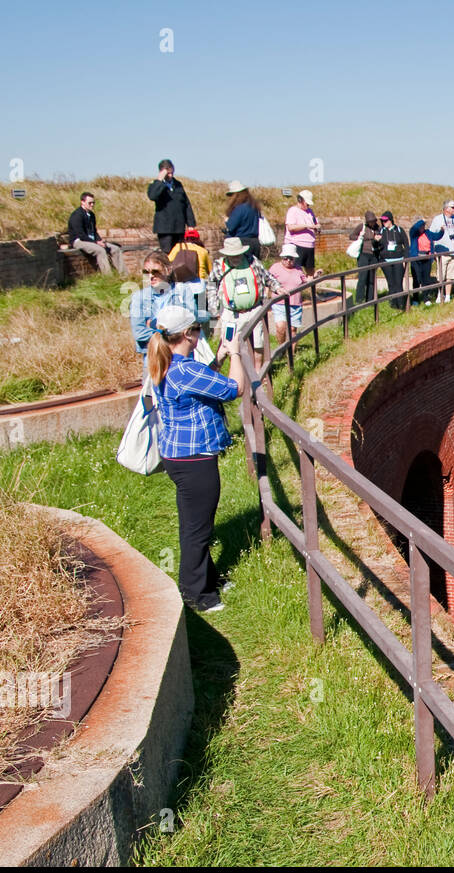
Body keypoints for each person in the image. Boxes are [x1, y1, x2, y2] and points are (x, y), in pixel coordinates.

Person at [148, 305, 239, 614]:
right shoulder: (186, 369)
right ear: (188, 334)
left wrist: (219, 358)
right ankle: (197, 594)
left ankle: (208, 579)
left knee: (197, 524)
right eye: (199, 328)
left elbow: (200, 383)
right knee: (196, 530)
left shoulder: (170, 363)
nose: (201, 332)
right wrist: (237, 354)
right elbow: (233, 390)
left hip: (178, 455)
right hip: (194, 460)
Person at [206, 238, 284, 395]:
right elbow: (210, 287)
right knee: (227, 345)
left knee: (258, 343)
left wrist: (277, 288)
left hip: (254, 310)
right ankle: (218, 377)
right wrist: (214, 311)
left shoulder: (251, 261)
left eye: (238, 255)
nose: (236, 258)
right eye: (233, 256)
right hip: (231, 314)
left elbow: (266, 276)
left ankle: (257, 377)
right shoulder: (219, 266)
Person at [129, 251, 210, 364]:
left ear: (168, 270)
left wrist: (155, 326)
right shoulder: (139, 297)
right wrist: (173, 331)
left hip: (181, 355)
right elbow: (139, 333)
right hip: (154, 357)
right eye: (146, 272)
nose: (151, 276)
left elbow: (191, 321)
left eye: (155, 272)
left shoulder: (182, 291)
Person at [267, 244, 321, 343]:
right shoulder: (275, 268)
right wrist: (266, 297)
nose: (288, 261)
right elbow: (267, 282)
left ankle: (291, 354)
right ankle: (281, 348)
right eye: (285, 258)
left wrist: (315, 276)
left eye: (291, 258)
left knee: (292, 330)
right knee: (281, 327)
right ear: (282, 257)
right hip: (280, 303)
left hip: (295, 304)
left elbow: (305, 281)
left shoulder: (298, 269)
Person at [67, 192, 125, 274]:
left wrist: (100, 240)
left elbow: (94, 231)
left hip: (91, 240)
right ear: (82, 202)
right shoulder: (77, 215)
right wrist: (96, 242)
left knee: (115, 249)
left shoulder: (92, 215)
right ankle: (108, 277)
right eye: (89, 203)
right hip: (79, 241)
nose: (92, 205)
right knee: (100, 250)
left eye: (93, 203)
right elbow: (80, 235)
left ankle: (124, 275)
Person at [147, 159, 196, 253]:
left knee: (179, 254)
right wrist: (160, 180)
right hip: (165, 228)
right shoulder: (155, 185)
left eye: (172, 172)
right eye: (168, 173)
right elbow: (152, 196)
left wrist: (191, 224)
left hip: (179, 227)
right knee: (167, 254)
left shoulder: (178, 184)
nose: (170, 175)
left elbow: (186, 204)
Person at [429, 199, 454, 303]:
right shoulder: (437, 219)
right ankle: (440, 295)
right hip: (442, 253)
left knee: (451, 277)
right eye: (452, 207)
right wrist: (433, 251)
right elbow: (431, 235)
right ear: (446, 209)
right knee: (441, 276)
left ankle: (448, 296)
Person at [224, 182, 263, 265]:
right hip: (255, 242)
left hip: (241, 243)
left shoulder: (239, 208)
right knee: (255, 269)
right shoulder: (253, 207)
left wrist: (227, 221)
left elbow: (231, 226)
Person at [377, 211, 408, 311]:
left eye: (385, 220)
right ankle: (393, 304)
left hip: (398, 260)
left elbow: (406, 245)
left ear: (390, 220)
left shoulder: (399, 230)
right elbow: (376, 246)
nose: (383, 222)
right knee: (391, 283)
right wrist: (375, 241)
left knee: (398, 283)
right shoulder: (381, 231)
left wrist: (405, 259)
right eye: (382, 221)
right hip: (386, 261)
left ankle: (401, 304)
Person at [350, 212, 382, 306]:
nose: (372, 223)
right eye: (370, 222)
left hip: (374, 255)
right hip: (364, 255)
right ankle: (359, 300)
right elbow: (351, 236)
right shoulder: (362, 227)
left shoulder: (378, 228)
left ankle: (370, 300)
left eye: (373, 221)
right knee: (362, 278)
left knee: (372, 279)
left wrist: (378, 239)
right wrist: (361, 237)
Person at [284, 190, 319, 273]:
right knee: (296, 271)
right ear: (300, 200)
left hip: (309, 245)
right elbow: (291, 227)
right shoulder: (293, 210)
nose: (308, 205)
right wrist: (306, 226)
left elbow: (314, 223)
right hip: (297, 244)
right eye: (306, 203)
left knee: (310, 270)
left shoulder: (310, 211)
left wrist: (316, 227)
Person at [408, 217, 436, 306]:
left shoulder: (427, 233)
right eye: (421, 226)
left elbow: (437, 236)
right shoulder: (413, 233)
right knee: (417, 279)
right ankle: (415, 298)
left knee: (426, 279)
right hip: (416, 259)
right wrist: (422, 221)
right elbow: (414, 228)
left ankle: (426, 298)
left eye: (423, 226)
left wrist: (442, 231)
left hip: (426, 259)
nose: (422, 227)